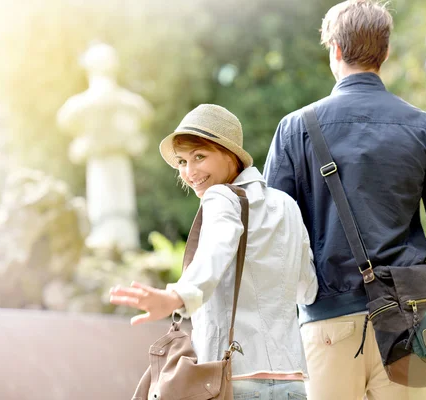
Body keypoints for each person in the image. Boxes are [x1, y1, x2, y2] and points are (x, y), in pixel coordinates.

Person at [263, 1, 426, 399]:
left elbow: (273, 236)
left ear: (336, 51)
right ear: (386, 52)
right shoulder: (424, 128)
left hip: (328, 322)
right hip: (413, 325)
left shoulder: (295, 128)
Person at [109, 104, 318, 400]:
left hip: (233, 379)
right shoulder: (286, 204)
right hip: (291, 381)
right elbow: (307, 290)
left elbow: (217, 248)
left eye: (199, 157)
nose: (189, 172)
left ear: (229, 154)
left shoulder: (221, 197)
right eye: (182, 161)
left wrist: (177, 296)